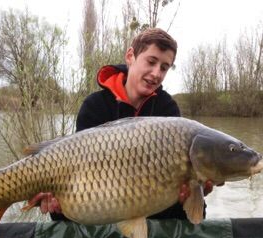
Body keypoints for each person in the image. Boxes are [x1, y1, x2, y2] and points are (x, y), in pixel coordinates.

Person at [27, 28, 213, 219]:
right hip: (99, 210)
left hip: (150, 219)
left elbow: (187, 208)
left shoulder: (168, 110)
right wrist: (58, 207)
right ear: (130, 56)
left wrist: (189, 195)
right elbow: (76, 185)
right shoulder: (94, 106)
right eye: (151, 62)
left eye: (164, 67)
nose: (156, 73)